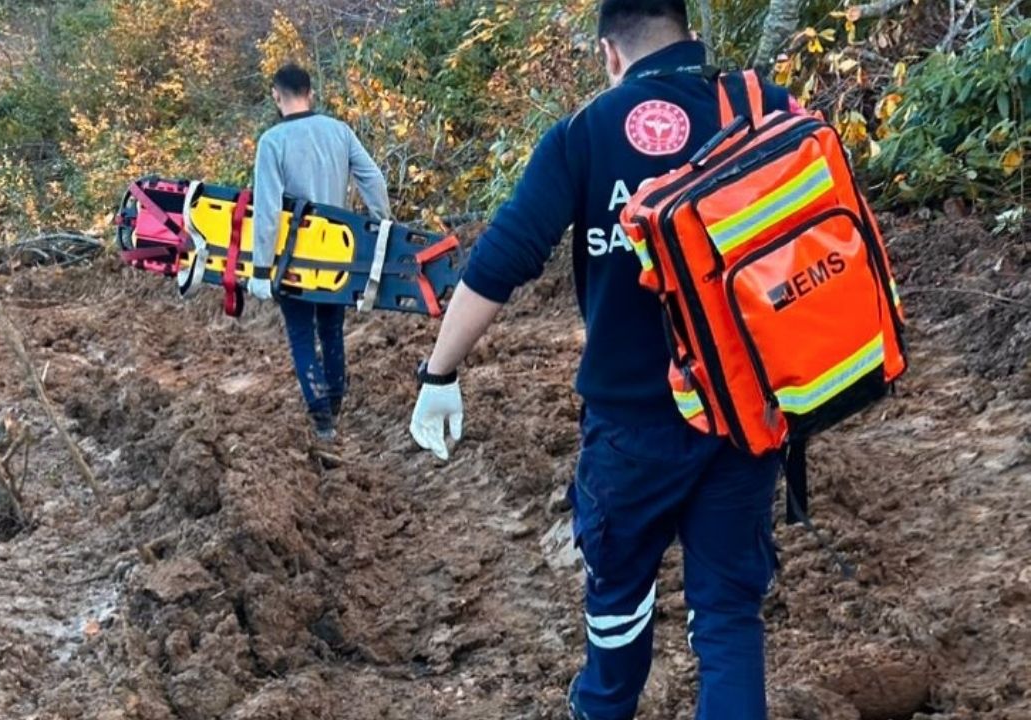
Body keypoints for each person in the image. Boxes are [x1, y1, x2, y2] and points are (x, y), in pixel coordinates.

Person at [408, 1, 798, 718]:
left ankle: (604, 706)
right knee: (727, 617)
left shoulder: (584, 134)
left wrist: (440, 372)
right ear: (688, 32)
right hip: (748, 414)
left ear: (609, 53)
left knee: (618, 599)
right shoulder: (760, 106)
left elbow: (502, 259)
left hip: (632, 427)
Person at [248, 63, 392, 441]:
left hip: (293, 260)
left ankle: (322, 419)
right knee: (331, 329)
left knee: (300, 333)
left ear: (276, 96)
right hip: (337, 254)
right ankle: (336, 402)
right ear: (310, 93)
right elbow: (373, 178)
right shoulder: (339, 131)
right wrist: (383, 226)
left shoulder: (272, 142)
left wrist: (260, 270)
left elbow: (267, 212)